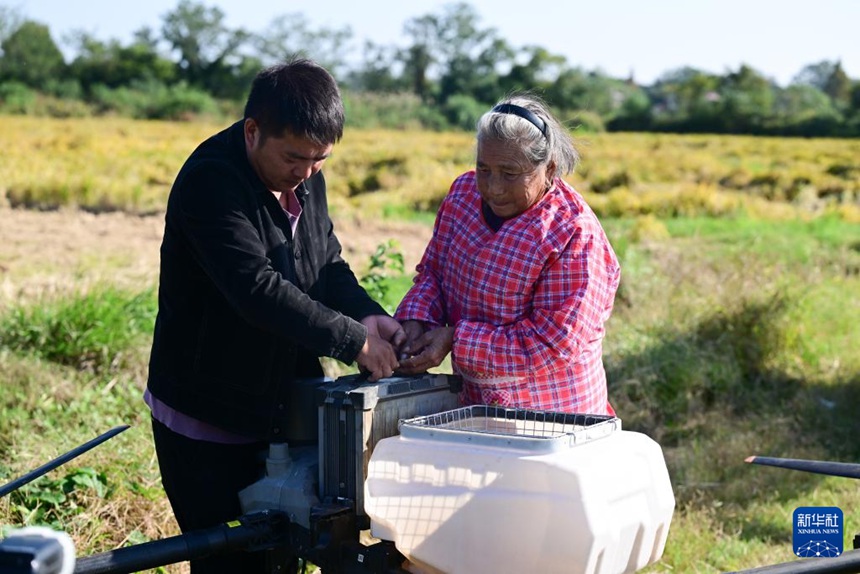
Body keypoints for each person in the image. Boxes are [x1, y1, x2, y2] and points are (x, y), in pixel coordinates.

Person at [144, 59, 404, 573]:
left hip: (284, 412)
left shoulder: (305, 176)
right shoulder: (211, 182)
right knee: (230, 565)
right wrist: (353, 341)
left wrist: (367, 316)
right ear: (252, 131)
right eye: (294, 158)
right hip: (209, 419)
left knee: (285, 558)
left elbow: (324, 263)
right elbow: (255, 291)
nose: (305, 172)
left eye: (320, 160)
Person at [395, 94, 620, 416]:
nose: (493, 188)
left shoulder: (573, 232)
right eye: (483, 168)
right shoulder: (463, 195)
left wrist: (455, 340)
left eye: (510, 173)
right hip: (473, 404)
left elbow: (552, 344)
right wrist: (417, 320)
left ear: (549, 169)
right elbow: (434, 273)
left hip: (554, 416)